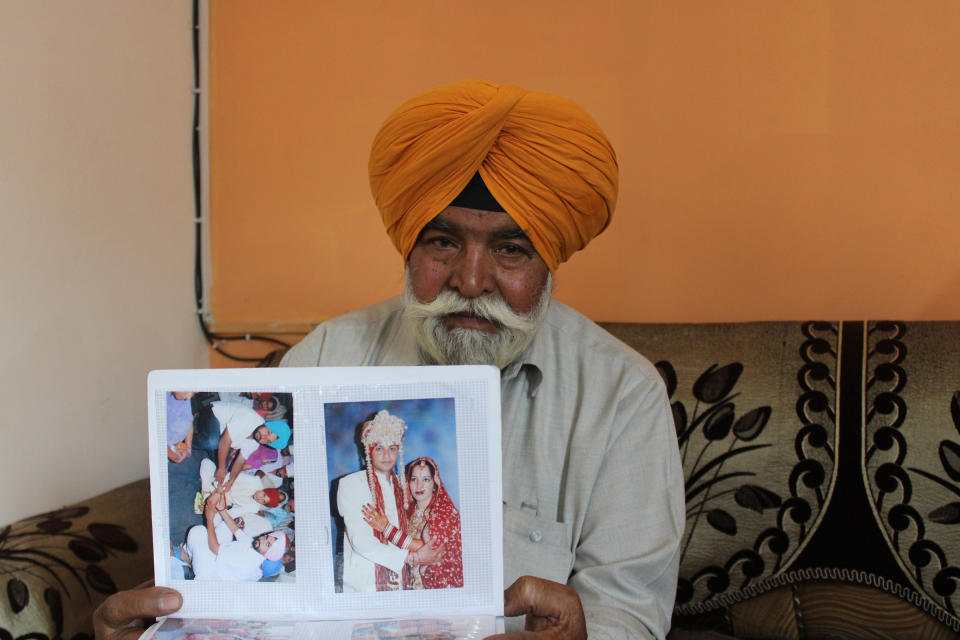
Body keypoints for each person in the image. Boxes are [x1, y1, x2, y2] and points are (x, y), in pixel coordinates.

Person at [94, 79, 684, 640]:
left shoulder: (621, 398)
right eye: (443, 242)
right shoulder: (330, 355)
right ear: (410, 245)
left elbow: (629, 613)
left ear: (550, 261)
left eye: (510, 249)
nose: (470, 279)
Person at [337, 410, 442, 592]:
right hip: (366, 585)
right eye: (379, 448)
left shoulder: (405, 486)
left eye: (392, 448)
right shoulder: (352, 484)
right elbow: (361, 541)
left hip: (404, 581)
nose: (386, 455)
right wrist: (412, 558)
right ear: (368, 450)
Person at [363, 456, 463, 589]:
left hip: (439, 587)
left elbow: (434, 550)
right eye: (414, 479)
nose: (419, 486)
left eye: (426, 480)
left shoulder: (445, 513)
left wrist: (387, 529)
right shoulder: (407, 513)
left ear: (435, 484)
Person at [179, 494, 287, 582]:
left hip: (209, 573)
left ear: (268, 556)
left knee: (198, 531)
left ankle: (188, 559)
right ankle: (194, 557)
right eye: (267, 537)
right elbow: (236, 530)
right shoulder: (258, 549)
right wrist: (222, 510)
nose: (262, 539)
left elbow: (214, 548)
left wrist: (209, 518)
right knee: (225, 527)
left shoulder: (247, 563)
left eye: (267, 544)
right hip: (220, 558)